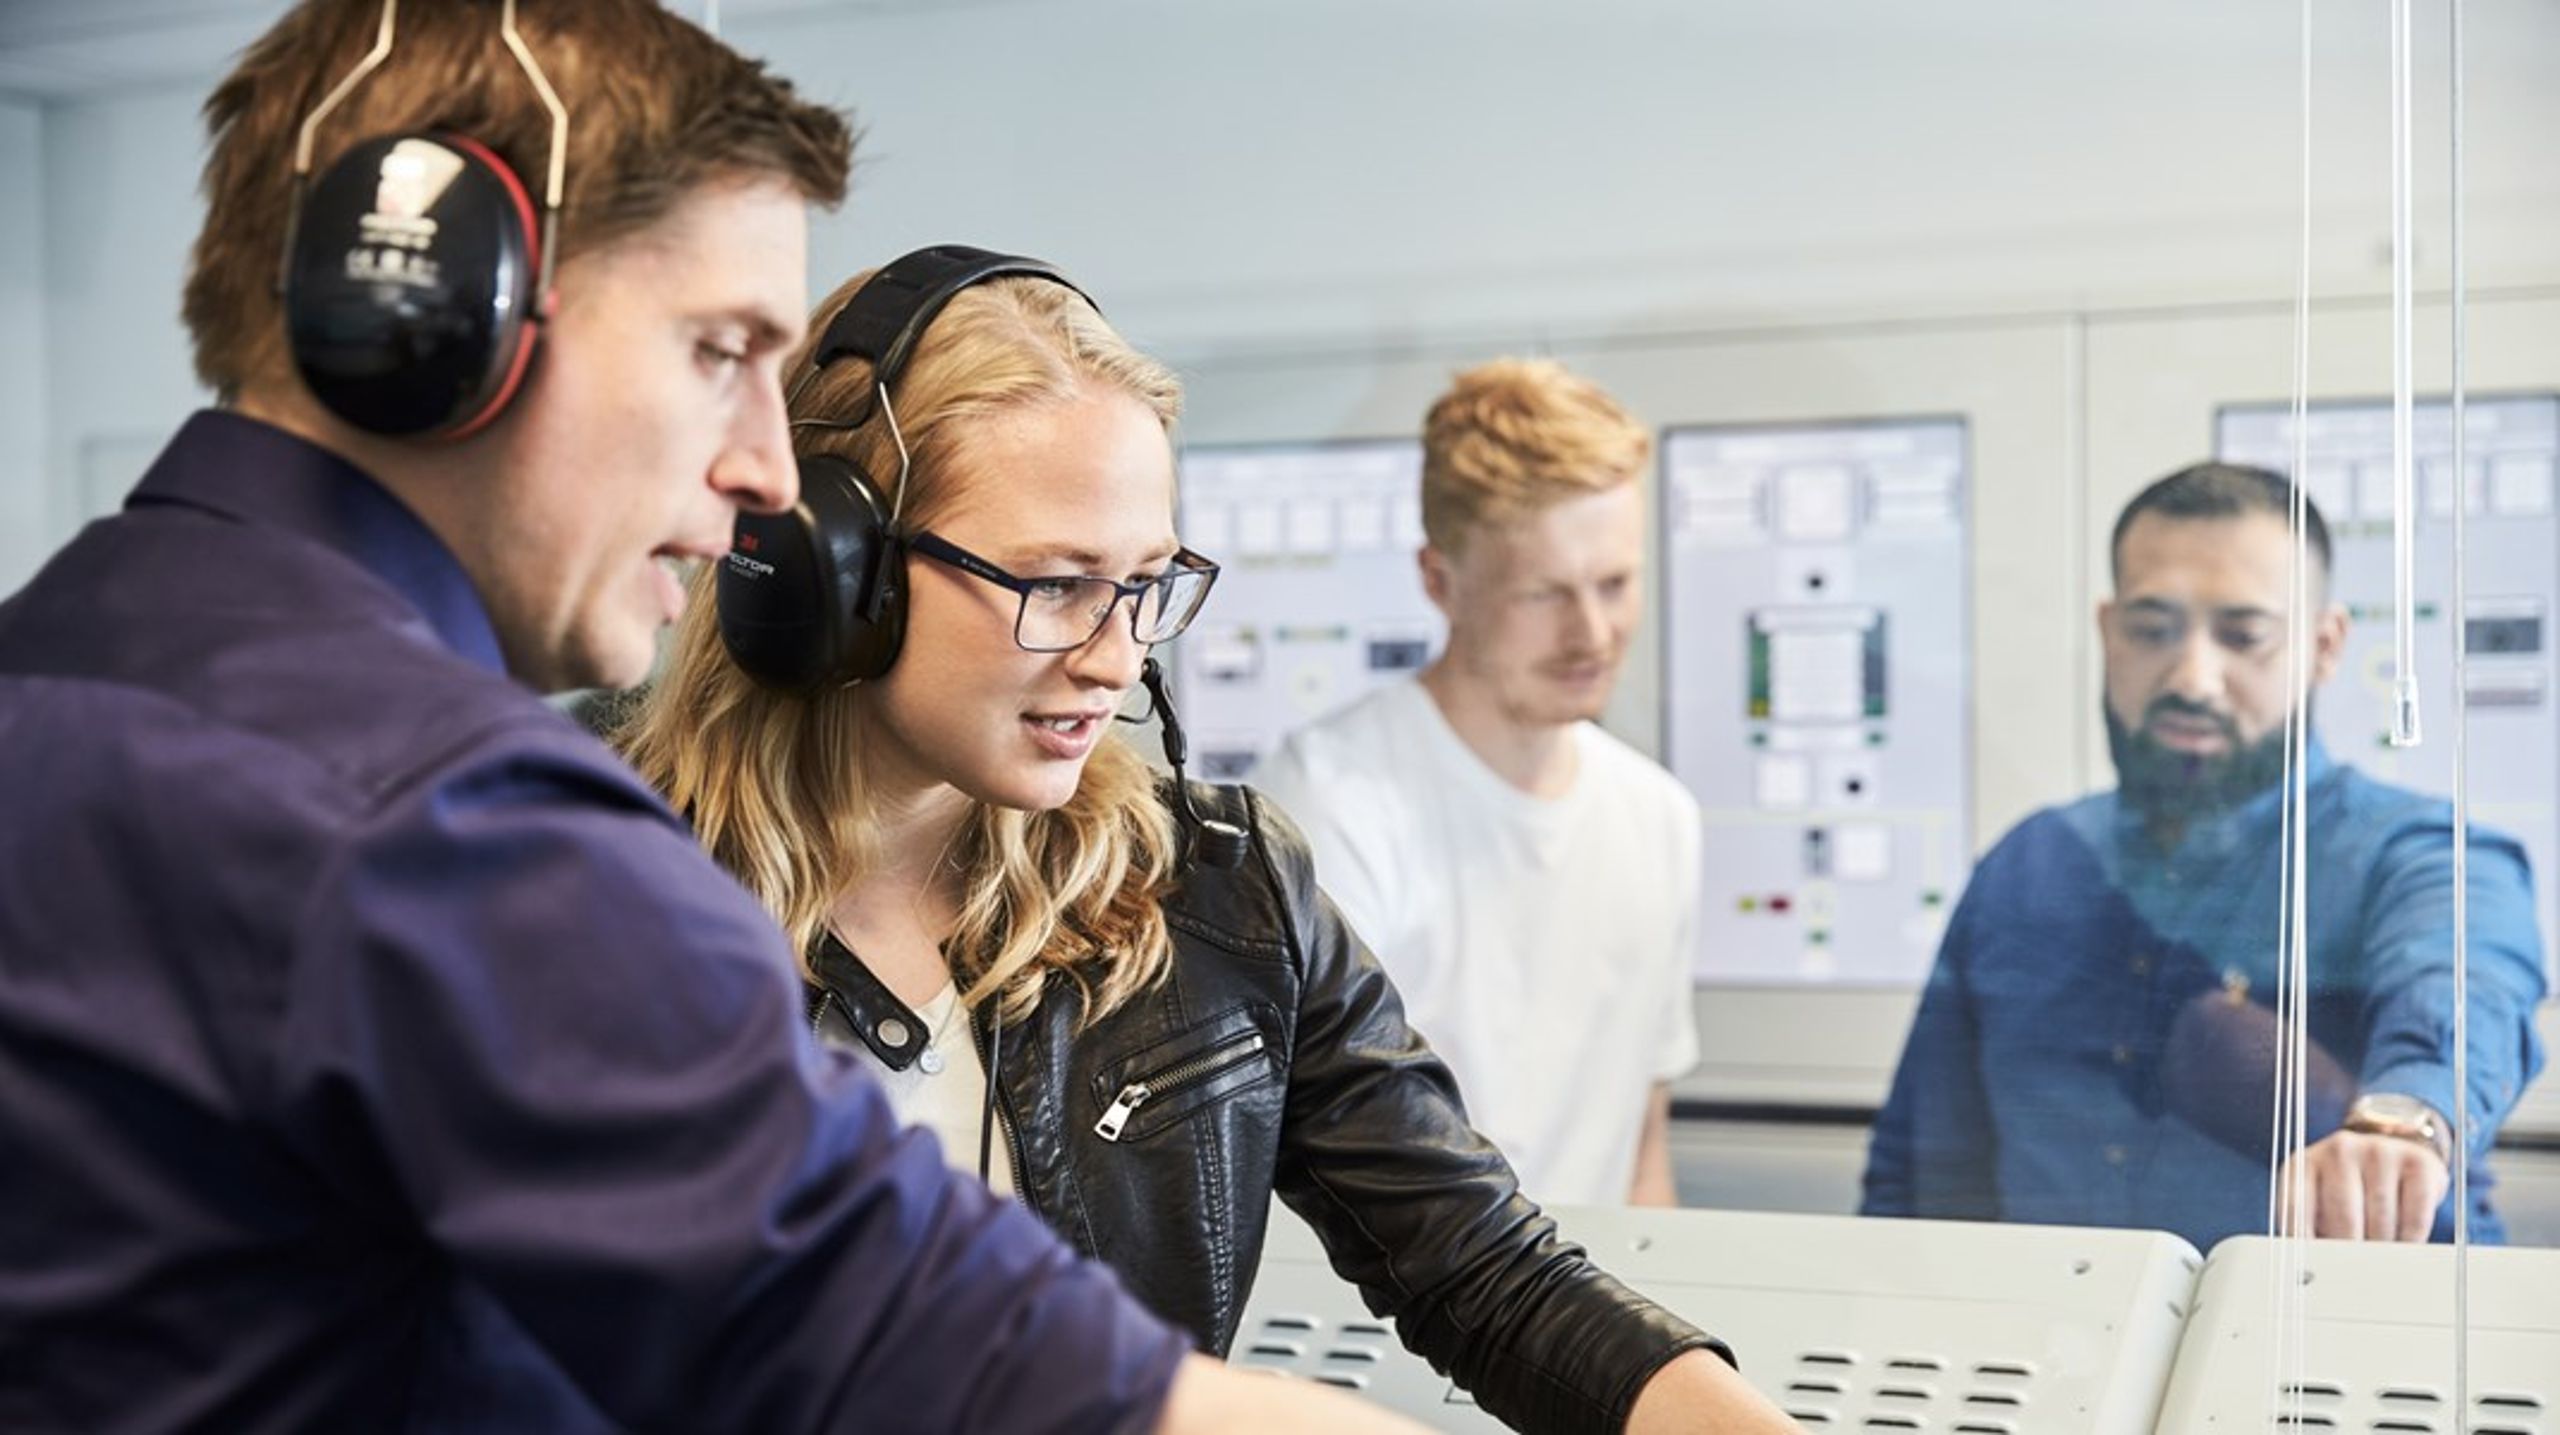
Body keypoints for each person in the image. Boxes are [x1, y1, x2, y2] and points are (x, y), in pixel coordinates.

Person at [0, 5, 1421, 1432]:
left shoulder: (55, 677)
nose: (760, 469)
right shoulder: (442, 824)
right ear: (439, 310)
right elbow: (929, 1340)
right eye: (717, 350)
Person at [614, 249, 1805, 1435]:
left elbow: (1484, 1270)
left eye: (1145, 582)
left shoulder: (1214, 890)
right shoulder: (587, 903)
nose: (1117, 656)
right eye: (1060, 582)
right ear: (833, 570)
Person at [1863, 462, 2548, 1252]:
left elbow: (2467, 991)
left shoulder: (2419, 857)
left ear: (2324, 645)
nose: (2193, 675)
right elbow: (1914, 1183)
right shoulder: (2030, 867)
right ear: (2108, 631)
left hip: (2344, 1357)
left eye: (2243, 635)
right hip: (2050, 1359)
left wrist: (2403, 1119)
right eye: (2153, 629)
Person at [1255, 358, 1700, 1208]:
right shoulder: (1332, 802)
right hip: (1373, 1322)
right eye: (1544, 594)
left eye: (1615, 583)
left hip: (1588, 1326)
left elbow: (1643, 1151)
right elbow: (1309, 1158)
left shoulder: (1659, 818)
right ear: (1438, 580)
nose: (1593, 633)